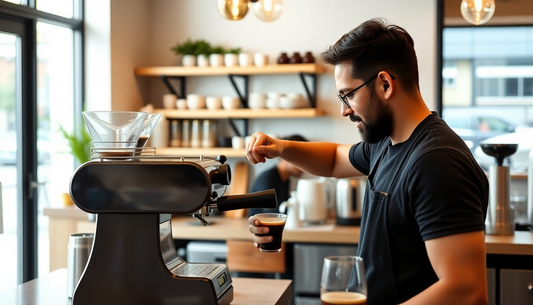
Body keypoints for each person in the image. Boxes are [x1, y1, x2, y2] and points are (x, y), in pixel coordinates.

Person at [245, 18, 489, 305]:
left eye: (347, 95)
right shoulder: (387, 143)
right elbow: (335, 159)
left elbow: (465, 290)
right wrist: (281, 147)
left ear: (384, 84)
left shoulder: (436, 162)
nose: (343, 110)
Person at [247, 134, 308, 217]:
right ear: (286, 156)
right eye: (302, 159)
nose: (306, 166)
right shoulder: (267, 179)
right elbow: (273, 215)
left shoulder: (285, 179)